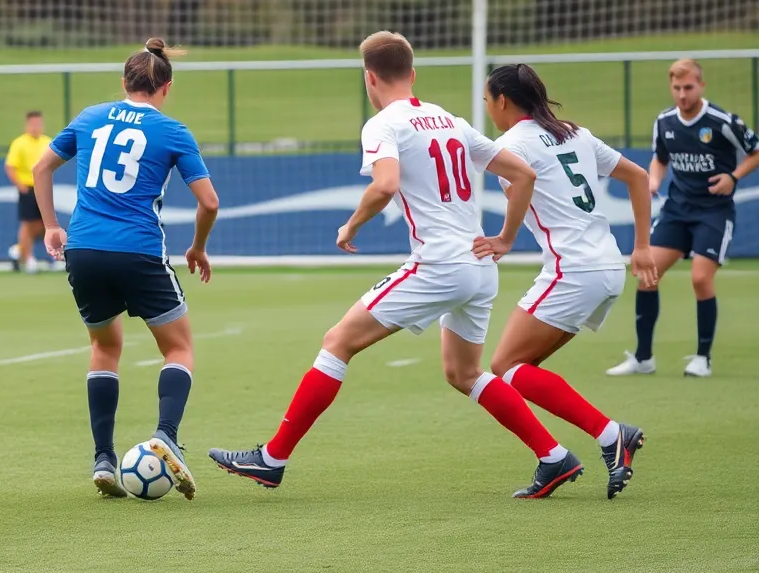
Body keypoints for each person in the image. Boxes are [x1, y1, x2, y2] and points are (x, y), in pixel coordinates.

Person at [210, 32, 585, 500]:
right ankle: (553, 456)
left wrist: (351, 226)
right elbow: (523, 174)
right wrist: (505, 238)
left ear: (370, 79)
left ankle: (273, 458)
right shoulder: (452, 120)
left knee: (336, 343)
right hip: (479, 268)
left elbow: (385, 185)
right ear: (413, 73)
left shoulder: (384, 124)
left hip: (438, 265)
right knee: (464, 373)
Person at [32, 38, 220, 500]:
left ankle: (103, 458)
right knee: (179, 350)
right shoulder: (173, 132)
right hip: (138, 251)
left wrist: (52, 227)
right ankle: (166, 434)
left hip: (84, 249)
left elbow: (41, 168)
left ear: (124, 82)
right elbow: (210, 202)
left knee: (104, 348)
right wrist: (198, 246)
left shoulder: (90, 117)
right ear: (166, 87)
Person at [480, 63, 658, 499]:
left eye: (488, 101)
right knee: (523, 369)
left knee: (505, 369)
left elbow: (521, 185)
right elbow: (638, 176)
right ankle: (556, 462)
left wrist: (504, 239)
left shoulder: (510, 144)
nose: (488, 110)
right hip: (606, 266)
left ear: (502, 101)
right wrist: (643, 246)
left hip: (572, 270)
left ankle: (610, 435)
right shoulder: (573, 132)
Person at [607, 59, 759, 378]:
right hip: (677, 210)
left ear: (701, 86)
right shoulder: (664, 122)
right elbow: (660, 159)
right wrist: (653, 180)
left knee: (701, 279)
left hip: (714, 212)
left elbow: (755, 151)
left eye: (688, 87)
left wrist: (733, 176)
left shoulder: (721, 121)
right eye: (676, 88)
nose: (682, 94)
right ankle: (643, 357)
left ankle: (703, 358)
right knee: (647, 275)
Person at [6, 111, 52, 273]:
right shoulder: (20, 143)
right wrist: (19, 185)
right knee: (27, 224)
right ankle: (28, 258)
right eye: (33, 124)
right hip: (28, 187)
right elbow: (11, 166)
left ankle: (19, 250)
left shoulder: (47, 142)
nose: (36, 127)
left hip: (43, 188)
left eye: (38, 124)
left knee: (42, 225)